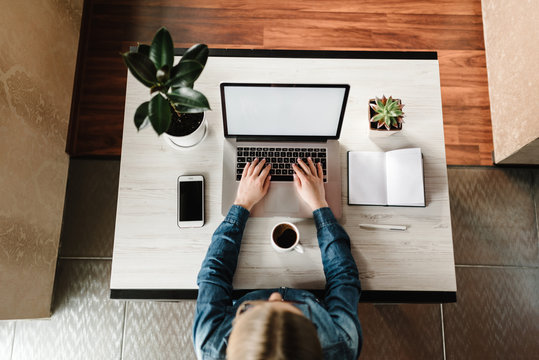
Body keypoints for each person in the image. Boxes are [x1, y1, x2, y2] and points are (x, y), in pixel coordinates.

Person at [193, 157, 362, 360]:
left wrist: (242, 203)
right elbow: (344, 277)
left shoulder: (210, 344)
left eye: (254, 309)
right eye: (292, 308)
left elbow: (214, 274)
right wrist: (319, 205)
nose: (275, 295)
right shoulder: (342, 345)